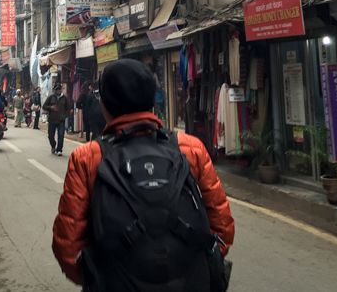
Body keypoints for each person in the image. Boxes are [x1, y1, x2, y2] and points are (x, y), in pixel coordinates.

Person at [52, 59, 235, 290]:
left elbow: (67, 246)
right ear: (151, 102)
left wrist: (102, 278)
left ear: (104, 105)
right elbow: (223, 225)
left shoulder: (87, 157)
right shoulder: (190, 147)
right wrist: (195, 266)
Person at [43, 83, 71, 156]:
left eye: (59, 89)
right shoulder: (51, 97)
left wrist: (64, 116)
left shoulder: (64, 98)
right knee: (50, 135)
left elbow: (68, 109)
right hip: (52, 120)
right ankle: (53, 145)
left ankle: (59, 149)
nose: (58, 91)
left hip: (61, 121)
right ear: (54, 90)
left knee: (61, 135)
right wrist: (51, 107)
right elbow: (44, 106)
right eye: (56, 89)